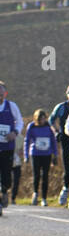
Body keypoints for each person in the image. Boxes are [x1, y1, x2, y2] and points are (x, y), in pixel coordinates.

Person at [50, 85, 69, 207]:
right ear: (67, 95)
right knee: (68, 168)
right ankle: (65, 188)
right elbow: (51, 120)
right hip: (65, 139)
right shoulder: (61, 107)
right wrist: (56, 132)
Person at [24, 109, 56, 206]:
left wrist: (55, 155)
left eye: (43, 118)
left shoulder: (48, 127)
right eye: (40, 119)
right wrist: (26, 155)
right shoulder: (32, 126)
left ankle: (44, 198)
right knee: (36, 175)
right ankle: (35, 194)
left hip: (47, 154)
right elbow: (27, 141)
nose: (42, 121)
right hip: (35, 154)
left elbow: (53, 141)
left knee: (45, 176)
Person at [0, 81, 21, 211]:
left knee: (6, 176)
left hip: (7, 146)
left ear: (5, 94)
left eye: (1, 94)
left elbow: (19, 122)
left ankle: (4, 192)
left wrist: (15, 132)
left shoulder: (11, 106)